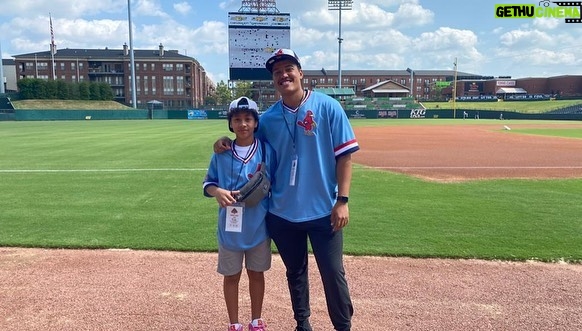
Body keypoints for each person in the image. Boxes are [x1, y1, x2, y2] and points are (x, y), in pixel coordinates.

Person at [215, 48, 359, 331]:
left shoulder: (328, 107)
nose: (283, 75)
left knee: (332, 273)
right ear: (274, 80)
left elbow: (345, 156)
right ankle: (302, 323)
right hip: (282, 212)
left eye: (288, 68)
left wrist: (342, 200)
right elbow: (246, 140)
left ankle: (343, 326)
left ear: (300, 73)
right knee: (295, 272)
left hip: (323, 211)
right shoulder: (266, 119)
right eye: (277, 72)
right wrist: (225, 141)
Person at [203, 96, 276, 331]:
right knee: (231, 276)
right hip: (230, 228)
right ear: (230, 124)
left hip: (259, 225)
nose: (243, 124)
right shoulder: (221, 153)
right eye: (237, 119)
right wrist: (217, 192)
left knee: (256, 274)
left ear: (256, 123)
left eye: (248, 119)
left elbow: (277, 181)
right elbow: (208, 184)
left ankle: (256, 319)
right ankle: (234, 323)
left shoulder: (266, 150)